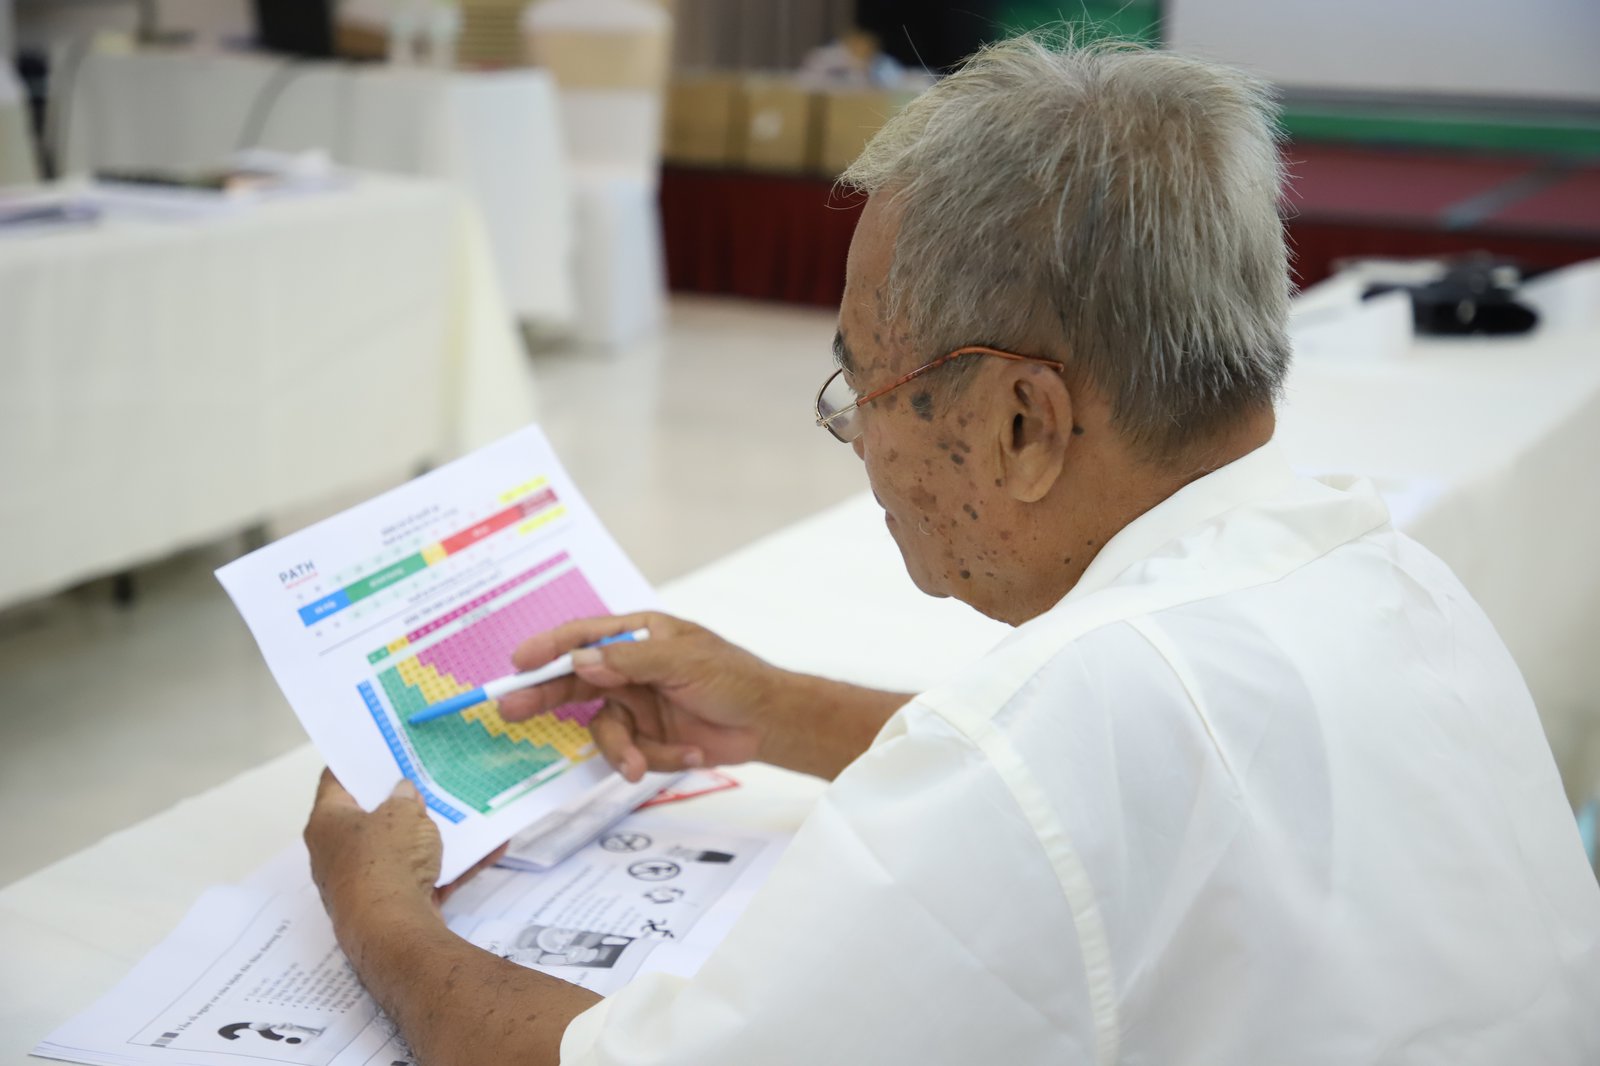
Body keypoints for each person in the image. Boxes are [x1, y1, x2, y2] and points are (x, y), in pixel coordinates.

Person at [302, 35, 1600, 1065]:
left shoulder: (1085, 711)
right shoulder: (1375, 561)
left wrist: (381, 911)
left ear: (1024, 420)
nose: (856, 441)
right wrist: (773, 706)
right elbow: (1128, 800)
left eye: (860, 384)